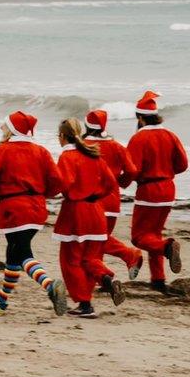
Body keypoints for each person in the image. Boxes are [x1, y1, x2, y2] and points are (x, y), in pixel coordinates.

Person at [0, 111, 68, 316]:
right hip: (37, 207)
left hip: (13, 208)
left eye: (4, 125)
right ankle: (1, 300)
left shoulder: (0, 151)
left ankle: (50, 286)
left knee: (22, 253)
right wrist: (42, 193)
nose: (1, 128)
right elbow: (58, 181)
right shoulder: (41, 151)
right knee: (14, 252)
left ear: (11, 130)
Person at [53, 118, 126, 318]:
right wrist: (95, 195)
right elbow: (112, 184)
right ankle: (105, 279)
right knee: (90, 258)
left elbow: (65, 185)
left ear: (62, 136)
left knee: (71, 260)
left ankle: (85, 304)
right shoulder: (94, 154)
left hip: (76, 211)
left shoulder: (67, 157)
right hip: (96, 210)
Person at [126, 90, 188, 294]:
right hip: (168, 189)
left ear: (140, 118)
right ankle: (158, 279)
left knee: (139, 237)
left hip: (149, 191)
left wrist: (121, 182)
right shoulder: (170, 135)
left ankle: (167, 248)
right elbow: (182, 164)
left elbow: (132, 169)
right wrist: (167, 172)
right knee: (154, 235)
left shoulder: (139, 138)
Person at [83, 110, 144, 278]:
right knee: (100, 240)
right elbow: (132, 170)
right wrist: (121, 183)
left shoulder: (82, 145)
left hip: (91, 201)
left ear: (86, 126)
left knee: (92, 241)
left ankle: (128, 254)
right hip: (112, 200)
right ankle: (103, 277)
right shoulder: (117, 146)